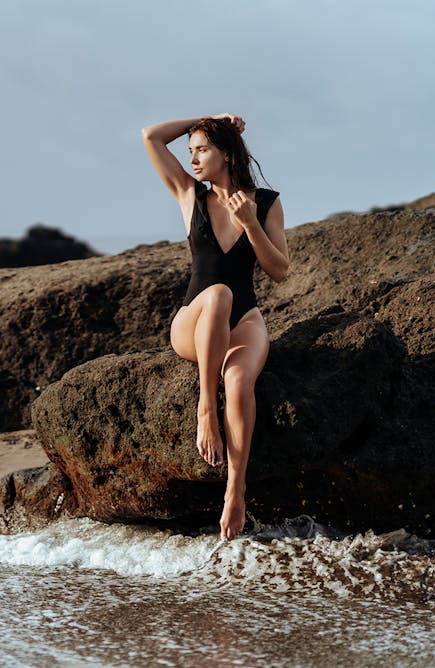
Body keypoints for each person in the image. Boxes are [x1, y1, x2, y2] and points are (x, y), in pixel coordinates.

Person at [141, 114, 289, 541]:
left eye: (202, 149)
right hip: (195, 319)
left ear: (226, 153)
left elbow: (279, 271)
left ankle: (235, 491)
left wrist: (251, 225)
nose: (193, 159)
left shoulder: (264, 202)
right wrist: (210, 117)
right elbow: (151, 136)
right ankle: (207, 408)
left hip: (245, 320)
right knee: (220, 293)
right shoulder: (189, 195)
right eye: (189, 151)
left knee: (242, 381)